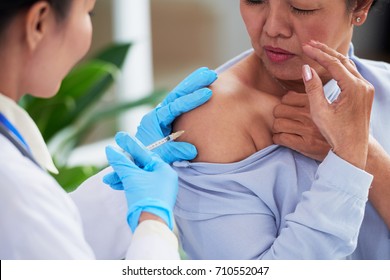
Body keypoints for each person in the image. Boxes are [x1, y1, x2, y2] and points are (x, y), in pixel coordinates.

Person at [172, 0, 390, 259]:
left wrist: (361, 152)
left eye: (301, 7)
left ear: (360, 7)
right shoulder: (213, 118)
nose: (273, 28)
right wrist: (347, 161)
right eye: (254, 0)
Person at [0, 0, 217, 259]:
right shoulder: (15, 185)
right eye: (87, 11)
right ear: (39, 23)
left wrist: (125, 190)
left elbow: (48, 238)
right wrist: (153, 222)